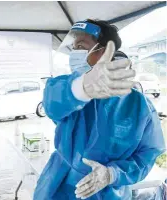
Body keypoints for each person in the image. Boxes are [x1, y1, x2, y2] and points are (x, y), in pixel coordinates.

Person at [33, 19, 166, 200]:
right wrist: (82, 88)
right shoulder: (71, 88)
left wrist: (112, 174)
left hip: (109, 193)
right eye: (73, 48)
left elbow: (148, 153)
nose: (75, 54)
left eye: (81, 46)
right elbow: (52, 104)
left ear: (103, 51)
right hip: (58, 186)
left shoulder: (138, 105)